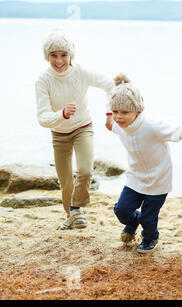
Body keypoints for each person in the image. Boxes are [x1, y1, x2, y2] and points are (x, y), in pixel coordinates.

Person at [108, 74, 182, 254]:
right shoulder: (119, 125)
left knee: (149, 219)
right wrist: (111, 103)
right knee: (121, 210)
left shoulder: (153, 127)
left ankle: (150, 238)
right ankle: (133, 222)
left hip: (158, 180)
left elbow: (181, 131)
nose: (119, 117)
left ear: (138, 111)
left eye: (125, 112)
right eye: (115, 111)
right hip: (135, 178)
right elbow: (110, 123)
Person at [36, 28, 115, 230]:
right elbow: (43, 118)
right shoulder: (43, 80)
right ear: (47, 56)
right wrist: (61, 114)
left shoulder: (81, 72)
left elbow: (110, 85)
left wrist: (109, 113)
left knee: (85, 171)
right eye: (53, 55)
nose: (59, 60)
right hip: (59, 135)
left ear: (71, 54)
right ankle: (71, 215)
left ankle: (76, 207)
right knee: (65, 182)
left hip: (82, 128)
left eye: (63, 54)